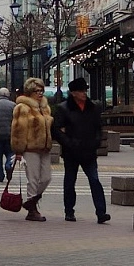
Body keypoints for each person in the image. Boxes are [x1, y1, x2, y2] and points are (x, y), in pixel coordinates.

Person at [52, 77, 110, 224]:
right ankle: (69, 211)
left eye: (85, 90)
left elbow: (98, 128)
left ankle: (101, 212)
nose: (84, 93)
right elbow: (57, 130)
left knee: (95, 180)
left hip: (89, 151)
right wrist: (69, 143)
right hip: (71, 152)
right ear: (73, 93)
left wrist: (96, 142)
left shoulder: (93, 108)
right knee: (70, 181)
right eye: (81, 91)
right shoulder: (63, 108)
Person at [11, 77, 54, 222]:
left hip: (45, 148)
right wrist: (18, 150)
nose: (40, 93)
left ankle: (30, 202)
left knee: (47, 178)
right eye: (37, 91)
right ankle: (32, 209)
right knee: (33, 179)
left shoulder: (45, 107)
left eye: (42, 90)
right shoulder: (22, 107)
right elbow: (18, 130)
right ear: (30, 92)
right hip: (30, 148)